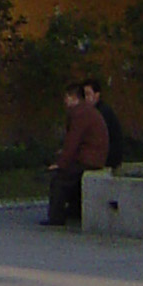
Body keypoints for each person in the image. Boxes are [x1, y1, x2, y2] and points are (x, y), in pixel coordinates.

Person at [42, 83, 109, 226]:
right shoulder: (88, 111)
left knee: (59, 180)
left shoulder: (79, 114)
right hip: (95, 158)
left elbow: (72, 141)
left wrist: (60, 163)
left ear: (73, 97)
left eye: (66, 97)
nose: (65, 101)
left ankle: (56, 218)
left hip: (87, 160)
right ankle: (73, 211)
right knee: (69, 178)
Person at [82, 78, 125, 170]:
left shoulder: (101, 112)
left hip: (108, 157)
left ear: (97, 95)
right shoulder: (94, 111)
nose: (86, 98)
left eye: (88, 94)